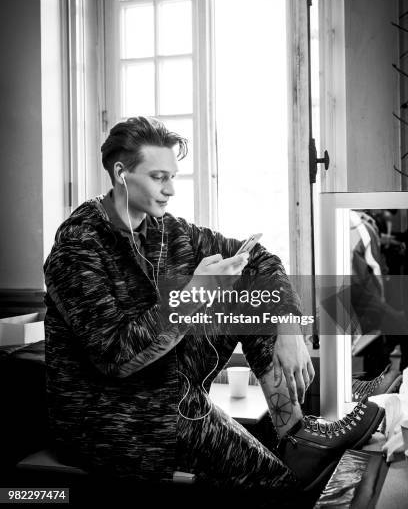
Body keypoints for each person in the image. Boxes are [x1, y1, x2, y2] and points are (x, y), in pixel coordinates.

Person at [44, 117, 383, 504]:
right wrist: (194, 294)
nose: (170, 190)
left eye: (173, 176)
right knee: (277, 484)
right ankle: (289, 465)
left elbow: (260, 261)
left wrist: (288, 324)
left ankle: (295, 436)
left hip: (169, 387)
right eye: (159, 177)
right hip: (110, 418)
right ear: (121, 173)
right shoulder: (77, 249)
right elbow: (116, 357)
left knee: (248, 291)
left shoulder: (168, 231)